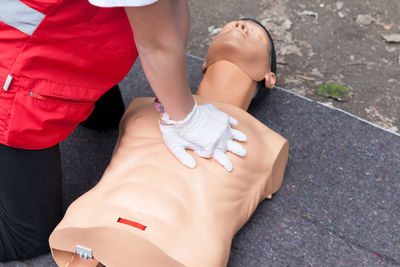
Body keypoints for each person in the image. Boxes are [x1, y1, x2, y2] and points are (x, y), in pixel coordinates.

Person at [0, 0, 244, 262]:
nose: (242, 29)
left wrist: (172, 102)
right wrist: (186, 118)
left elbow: (172, 7)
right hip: (14, 64)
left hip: (65, 35)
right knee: (26, 239)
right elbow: (157, 44)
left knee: (108, 118)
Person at [49, 19, 288, 267]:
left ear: (269, 77)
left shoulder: (268, 143)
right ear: (204, 63)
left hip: (179, 251)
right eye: (227, 27)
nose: (239, 26)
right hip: (92, 229)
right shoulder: (143, 108)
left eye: (256, 35)